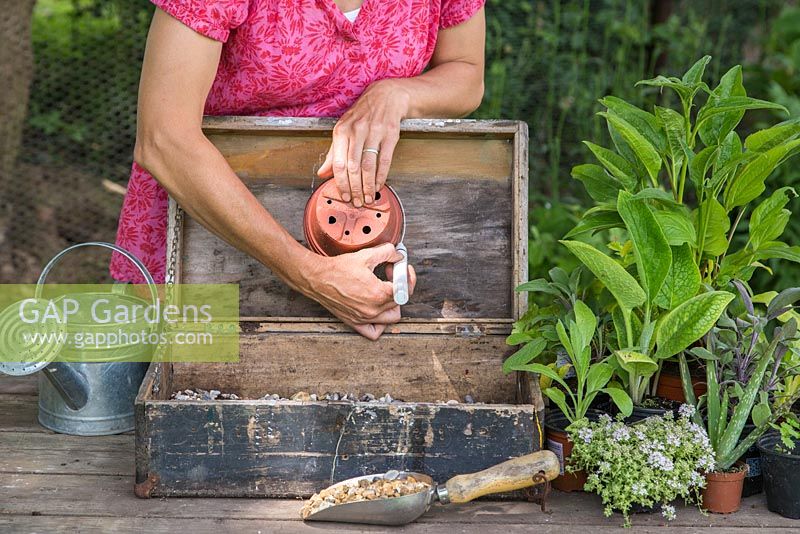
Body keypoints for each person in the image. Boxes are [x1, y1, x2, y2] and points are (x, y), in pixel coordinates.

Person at [112, 0, 486, 340]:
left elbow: (466, 72)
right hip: (209, 239)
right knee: (180, 402)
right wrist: (311, 274)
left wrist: (397, 94)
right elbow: (163, 139)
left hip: (367, 270)